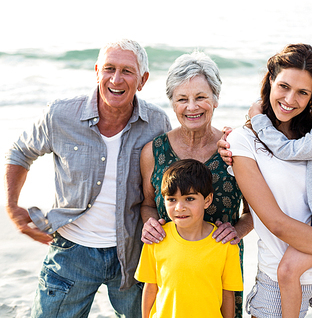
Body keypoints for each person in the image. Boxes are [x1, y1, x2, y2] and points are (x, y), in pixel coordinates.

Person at [4, 39, 172, 317]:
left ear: (142, 80)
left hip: (132, 253)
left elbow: (171, 179)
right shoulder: (60, 115)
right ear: (97, 72)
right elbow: (21, 152)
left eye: (127, 71)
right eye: (109, 68)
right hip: (71, 251)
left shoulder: (157, 124)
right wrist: (12, 205)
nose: (116, 79)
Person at [227, 44, 312, 318]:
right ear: (270, 81)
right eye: (284, 86)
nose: (290, 99)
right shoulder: (243, 140)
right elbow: (276, 223)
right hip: (280, 278)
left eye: (303, 93)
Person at [139, 51, 253, 318]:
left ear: (215, 99)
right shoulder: (153, 152)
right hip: (172, 268)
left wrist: (237, 231)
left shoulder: (235, 147)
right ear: (172, 103)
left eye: (201, 97)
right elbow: (146, 205)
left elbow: (255, 211)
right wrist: (150, 224)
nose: (192, 107)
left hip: (220, 269)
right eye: (182, 99)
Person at [135, 159, 243, 318]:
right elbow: (150, 288)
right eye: (172, 199)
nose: (179, 207)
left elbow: (228, 295)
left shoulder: (225, 244)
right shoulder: (157, 239)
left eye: (190, 198)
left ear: (207, 200)